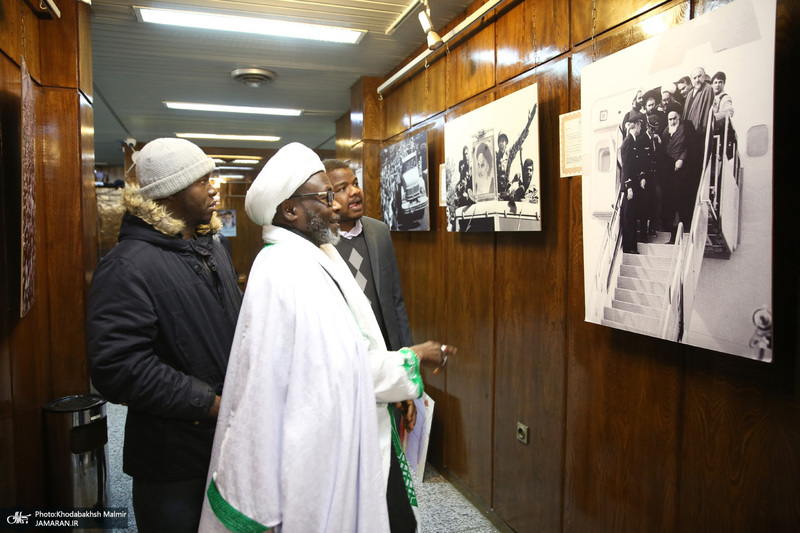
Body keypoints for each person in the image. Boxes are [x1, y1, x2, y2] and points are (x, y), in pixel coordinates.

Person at [199, 143, 454, 533]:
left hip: (345, 429)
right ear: (290, 210)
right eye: (324, 196)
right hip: (321, 446)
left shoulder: (310, 256)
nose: (335, 206)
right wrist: (410, 359)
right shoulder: (290, 272)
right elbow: (334, 372)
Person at [85, 138, 243, 533]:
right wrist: (211, 403)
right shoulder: (126, 267)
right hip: (173, 462)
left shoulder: (213, 247)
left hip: (227, 443)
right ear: (169, 193)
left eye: (212, 177)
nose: (213, 187)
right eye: (201, 180)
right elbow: (117, 370)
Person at [324, 158, 434, 532]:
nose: (355, 191)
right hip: (344, 371)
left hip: (385, 362)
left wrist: (409, 370)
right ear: (326, 197)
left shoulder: (378, 231)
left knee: (388, 456)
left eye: (354, 183)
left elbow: (395, 303)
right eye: (342, 187)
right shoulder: (317, 245)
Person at [682, 67, 715, 135]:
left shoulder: (708, 89)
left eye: (699, 76)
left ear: (704, 76)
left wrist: (703, 129)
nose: (697, 80)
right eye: (694, 78)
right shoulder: (690, 93)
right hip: (689, 130)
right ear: (691, 80)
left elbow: (706, 110)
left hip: (699, 131)